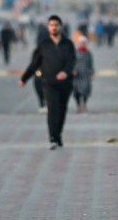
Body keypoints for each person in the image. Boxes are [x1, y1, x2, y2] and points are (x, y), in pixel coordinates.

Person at [19, 15, 76, 150]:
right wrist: (24, 78)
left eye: (56, 24)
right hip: (48, 83)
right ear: (48, 27)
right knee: (53, 110)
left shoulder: (68, 44)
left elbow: (72, 61)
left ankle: (58, 135)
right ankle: (52, 138)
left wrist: (65, 72)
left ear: (61, 27)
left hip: (65, 83)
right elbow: (34, 63)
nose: (54, 27)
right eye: (51, 25)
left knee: (62, 110)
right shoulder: (43, 45)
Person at [72, 36, 95, 113]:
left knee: (86, 90)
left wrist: (91, 74)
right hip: (77, 75)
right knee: (76, 91)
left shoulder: (88, 53)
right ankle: (78, 105)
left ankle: (84, 103)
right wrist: (73, 70)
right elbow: (71, 63)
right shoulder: (75, 52)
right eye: (81, 43)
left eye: (84, 43)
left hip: (85, 74)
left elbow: (91, 64)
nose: (83, 44)